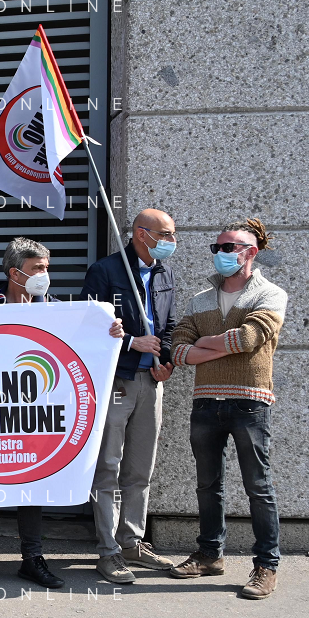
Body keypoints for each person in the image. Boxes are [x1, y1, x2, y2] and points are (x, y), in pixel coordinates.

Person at [0, 237, 124, 588]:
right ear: (15, 273)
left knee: (32, 484)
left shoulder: (56, 311)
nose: (45, 274)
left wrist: (110, 331)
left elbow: (86, 342)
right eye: (37, 268)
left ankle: (32, 559)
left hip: (32, 416)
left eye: (46, 267)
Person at [168, 219, 286, 600]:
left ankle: (266, 565)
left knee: (258, 486)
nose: (220, 253)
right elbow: (178, 349)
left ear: (251, 252)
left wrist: (202, 344)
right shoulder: (200, 300)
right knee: (207, 485)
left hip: (250, 401)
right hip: (205, 402)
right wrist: (217, 345)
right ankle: (209, 554)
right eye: (217, 247)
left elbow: (249, 338)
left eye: (228, 247)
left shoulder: (271, 294)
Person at [81, 209, 178, 584]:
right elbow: (88, 326)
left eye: (172, 234)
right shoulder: (105, 271)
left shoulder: (164, 273)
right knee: (108, 466)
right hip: (115, 381)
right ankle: (108, 551)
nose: (171, 241)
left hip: (151, 382)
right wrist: (130, 342)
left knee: (140, 469)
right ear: (141, 234)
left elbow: (169, 326)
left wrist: (166, 361)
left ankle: (132, 542)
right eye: (165, 234)